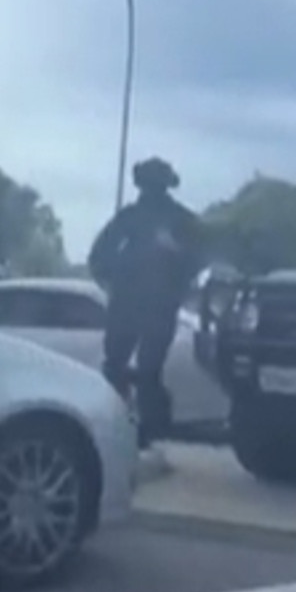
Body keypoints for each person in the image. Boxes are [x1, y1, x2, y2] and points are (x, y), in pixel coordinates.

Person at [88, 157, 202, 469]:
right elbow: (98, 257)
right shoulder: (130, 219)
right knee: (118, 367)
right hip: (130, 303)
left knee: (144, 370)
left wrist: (175, 261)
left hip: (156, 305)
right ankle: (123, 426)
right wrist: (113, 280)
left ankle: (146, 429)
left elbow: (198, 261)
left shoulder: (179, 222)